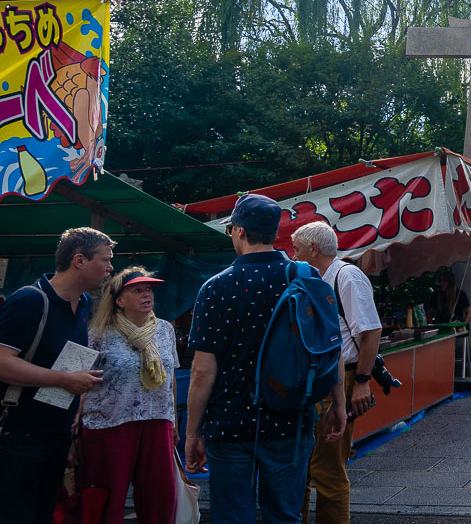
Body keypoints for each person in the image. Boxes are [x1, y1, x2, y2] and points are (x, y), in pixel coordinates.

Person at [187, 194, 346, 524]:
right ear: (276, 233)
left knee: (232, 516)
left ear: (240, 231)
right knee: (285, 516)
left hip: (229, 425)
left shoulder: (216, 288)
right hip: (290, 418)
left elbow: (203, 372)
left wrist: (192, 433)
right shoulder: (306, 278)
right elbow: (330, 348)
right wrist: (338, 404)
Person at [0, 227, 111, 524]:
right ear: (79, 260)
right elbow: (1, 363)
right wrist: (64, 380)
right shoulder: (29, 301)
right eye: (105, 259)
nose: (111, 268)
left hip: (57, 433)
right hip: (18, 435)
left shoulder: (85, 303)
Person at [292, 221, 382, 524]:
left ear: (313, 249)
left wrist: (361, 382)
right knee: (301, 466)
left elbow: (371, 332)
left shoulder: (346, 275)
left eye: (297, 249)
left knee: (327, 468)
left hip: (342, 377)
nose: (293, 256)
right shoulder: (314, 279)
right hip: (314, 381)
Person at [80, 267, 179, 524]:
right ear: (119, 300)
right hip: (109, 423)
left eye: (149, 290)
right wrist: (72, 428)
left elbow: (170, 379)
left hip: (157, 420)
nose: (147, 295)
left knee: (159, 498)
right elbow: (76, 381)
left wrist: (174, 421)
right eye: (137, 290)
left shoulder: (165, 330)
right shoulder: (97, 335)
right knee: (107, 499)